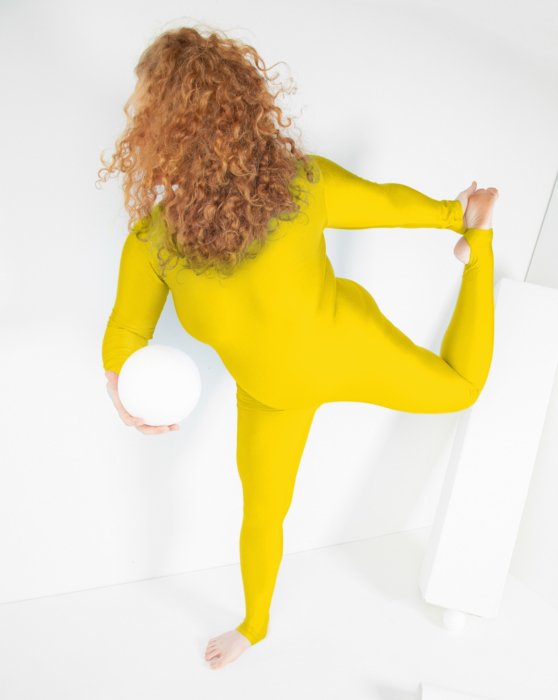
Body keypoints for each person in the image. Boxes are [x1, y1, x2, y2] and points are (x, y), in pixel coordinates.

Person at [98, 26, 498, 671]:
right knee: (263, 513)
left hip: (345, 341)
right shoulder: (152, 244)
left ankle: (480, 248)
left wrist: (457, 218)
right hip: (269, 399)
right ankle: (253, 626)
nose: (136, 123)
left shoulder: (299, 185)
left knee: (460, 389)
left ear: (172, 127)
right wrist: (121, 391)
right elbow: (125, 333)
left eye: (144, 110)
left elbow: (383, 205)